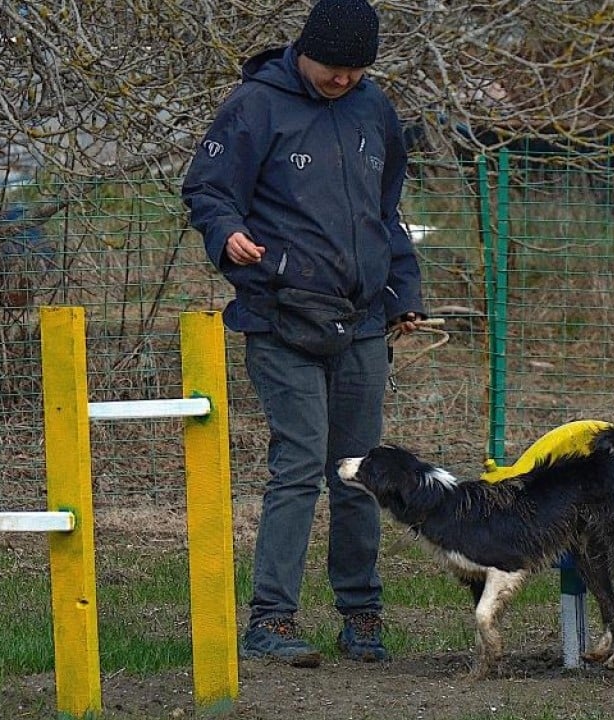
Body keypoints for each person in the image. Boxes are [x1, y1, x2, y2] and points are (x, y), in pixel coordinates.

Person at [181, 0, 426, 667]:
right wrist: (225, 234)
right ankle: (272, 618)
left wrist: (405, 291)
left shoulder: (374, 110)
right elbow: (207, 190)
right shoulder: (255, 106)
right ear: (304, 49)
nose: (342, 79)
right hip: (281, 313)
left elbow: (388, 212)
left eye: (356, 69)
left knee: (361, 471)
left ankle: (361, 613)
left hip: (365, 320)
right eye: (332, 66)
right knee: (298, 466)